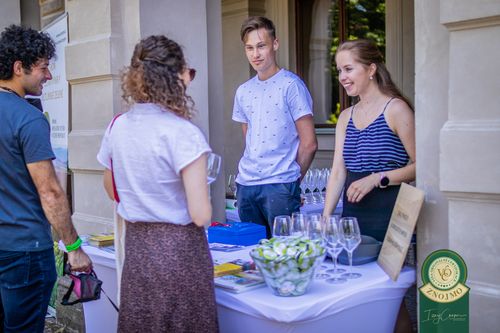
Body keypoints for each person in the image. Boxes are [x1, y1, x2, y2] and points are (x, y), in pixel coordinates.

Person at [97, 35, 218, 332]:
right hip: (180, 252)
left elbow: (110, 187)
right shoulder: (183, 133)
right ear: (175, 77)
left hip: (138, 250)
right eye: (187, 72)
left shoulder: (118, 126)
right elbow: (201, 215)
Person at [0, 25, 92, 333]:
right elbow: (50, 192)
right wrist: (74, 246)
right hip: (24, 251)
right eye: (43, 68)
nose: (49, 75)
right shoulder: (28, 118)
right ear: (18, 68)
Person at [322, 39, 416, 332]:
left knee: (391, 297)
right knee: (360, 296)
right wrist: (326, 217)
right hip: (354, 222)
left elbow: (421, 165)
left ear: (371, 69)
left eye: (349, 68)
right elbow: (338, 172)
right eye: (339, 70)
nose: (343, 77)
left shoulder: (396, 109)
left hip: (391, 219)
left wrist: (379, 178)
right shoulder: (345, 118)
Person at [233, 16, 317, 237]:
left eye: (261, 46)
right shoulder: (243, 91)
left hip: (280, 185)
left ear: (275, 44)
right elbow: (249, 140)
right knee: (254, 254)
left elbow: (309, 144)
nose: (256, 54)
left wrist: (290, 182)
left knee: (285, 255)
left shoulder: (291, 85)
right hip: (246, 186)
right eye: (249, 48)